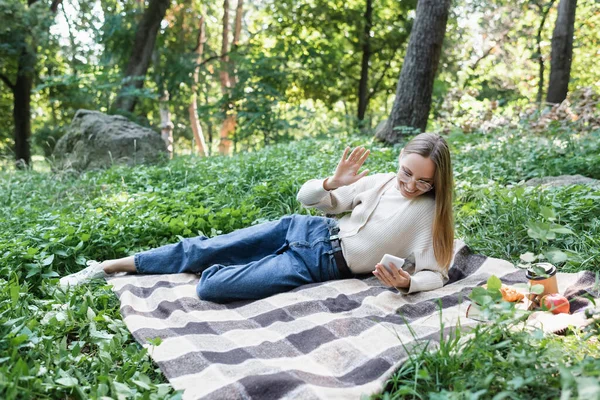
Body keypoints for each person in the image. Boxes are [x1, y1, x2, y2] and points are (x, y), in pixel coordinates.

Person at [59, 132, 454, 303]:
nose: (410, 184)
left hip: (317, 264)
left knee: (209, 289)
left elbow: (436, 274)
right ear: (399, 161)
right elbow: (310, 202)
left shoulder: (431, 217)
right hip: (304, 229)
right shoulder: (383, 181)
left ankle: (212, 262)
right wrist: (332, 183)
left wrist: (407, 283)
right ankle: (108, 266)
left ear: (438, 182)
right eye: (406, 172)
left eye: (423, 181)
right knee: (206, 245)